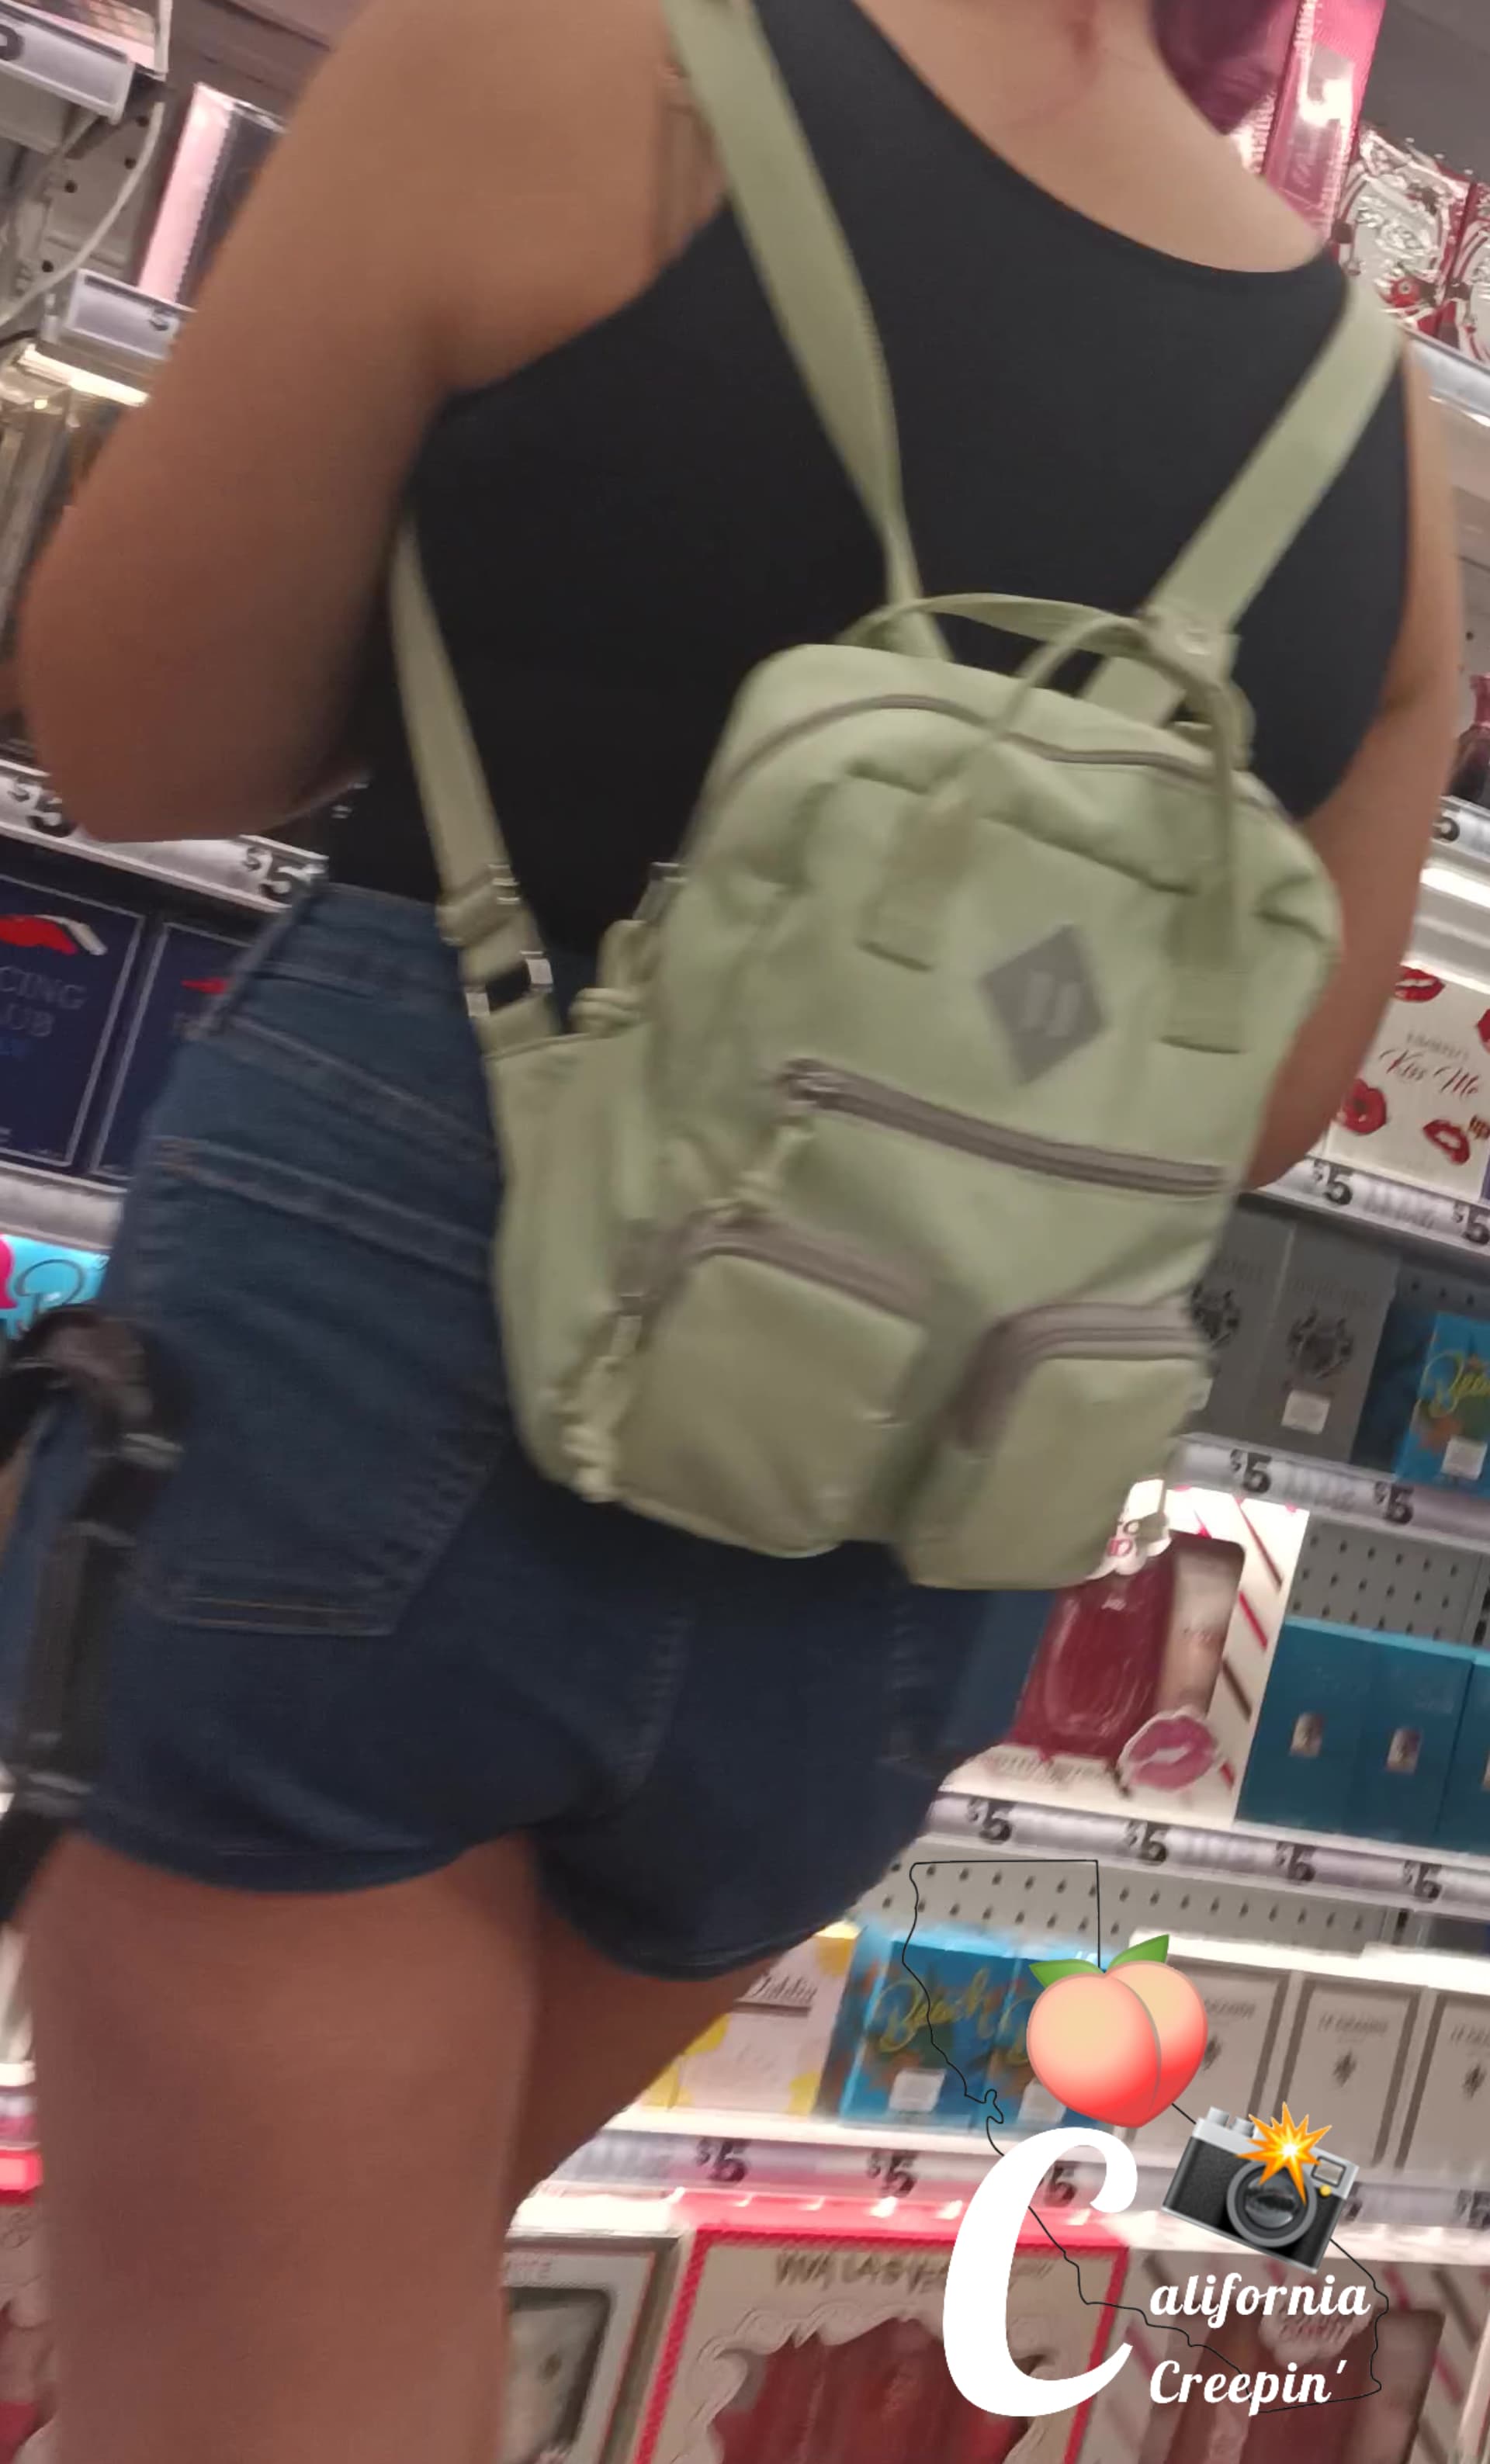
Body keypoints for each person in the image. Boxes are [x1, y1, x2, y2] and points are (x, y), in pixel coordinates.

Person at [0, 0, 1460, 2456]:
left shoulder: (572, 70)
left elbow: (141, 724)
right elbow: (1276, 1087)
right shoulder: (1365, 421)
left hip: (400, 1408)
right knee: (335, 2328)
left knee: (257, 2381)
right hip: (888, 1545)